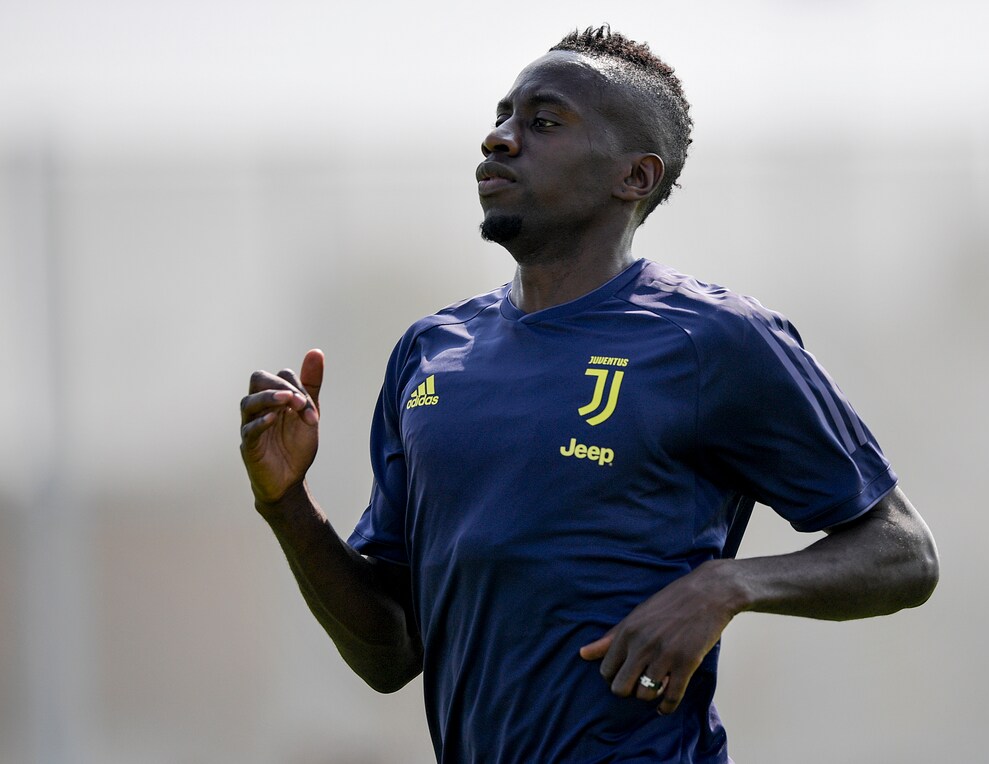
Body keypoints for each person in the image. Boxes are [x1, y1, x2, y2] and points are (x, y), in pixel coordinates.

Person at [239, 26, 939, 763]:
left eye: (543, 122)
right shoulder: (429, 352)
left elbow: (902, 552)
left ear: (634, 177)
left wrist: (724, 587)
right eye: (502, 117)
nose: (499, 139)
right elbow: (389, 654)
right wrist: (287, 505)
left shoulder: (713, 339)